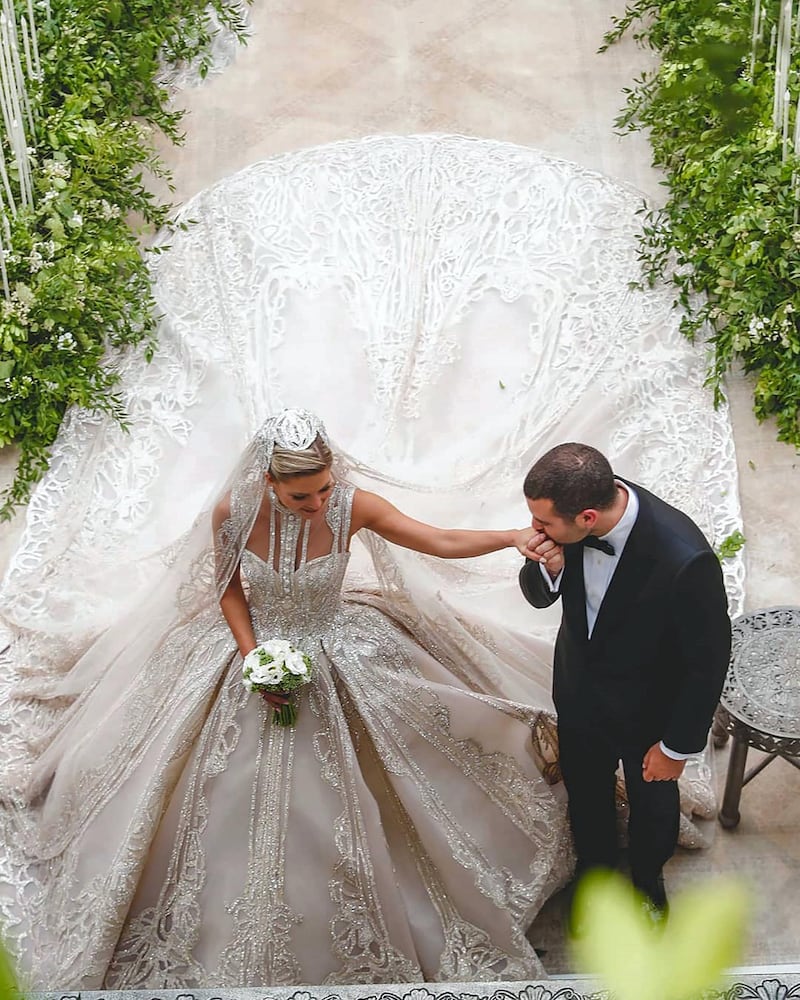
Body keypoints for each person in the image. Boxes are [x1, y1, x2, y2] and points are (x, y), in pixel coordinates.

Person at [0, 409, 572, 989]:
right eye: (302, 495)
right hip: (255, 647)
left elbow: (439, 538)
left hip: (338, 644)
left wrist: (509, 537)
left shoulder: (352, 505)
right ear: (269, 482)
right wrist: (254, 660)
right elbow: (227, 589)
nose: (319, 503)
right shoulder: (234, 511)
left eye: (324, 488)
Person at [517, 442, 731, 914]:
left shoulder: (685, 559)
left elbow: (708, 662)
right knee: (586, 791)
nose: (533, 531)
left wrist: (677, 747)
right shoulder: (569, 525)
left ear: (588, 519)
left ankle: (648, 881)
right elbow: (538, 596)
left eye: (543, 524)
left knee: (652, 805)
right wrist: (547, 569)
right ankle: (595, 871)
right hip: (578, 694)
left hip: (648, 712)